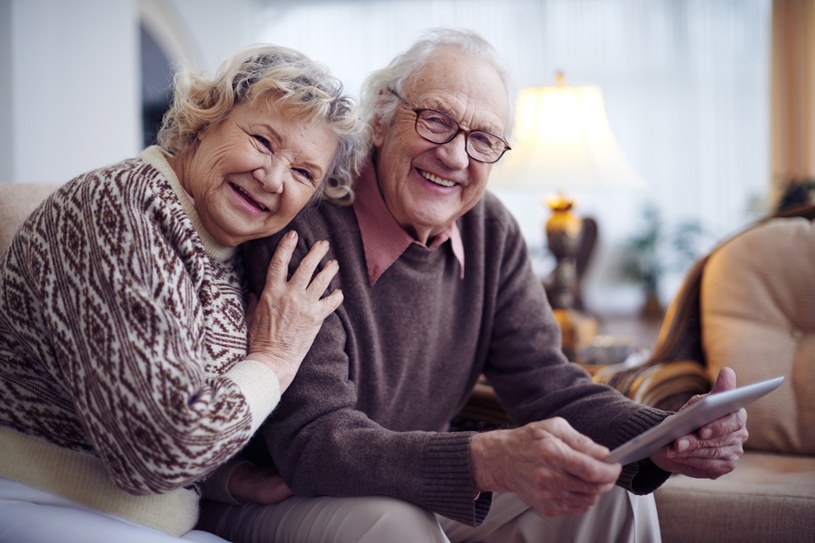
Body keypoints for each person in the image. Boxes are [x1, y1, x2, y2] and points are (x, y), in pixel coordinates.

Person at [198, 29, 748, 543]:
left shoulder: (491, 229)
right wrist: (480, 459)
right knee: (396, 523)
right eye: (436, 120)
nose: (456, 156)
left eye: (483, 139)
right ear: (383, 120)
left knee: (614, 496)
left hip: (411, 479)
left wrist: (669, 434)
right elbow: (314, 441)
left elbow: (547, 383)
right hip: (281, 489)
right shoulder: (307, 222)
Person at [0, 44, 366, 543]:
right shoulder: (116, 210)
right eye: (262, 140)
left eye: (304, 173)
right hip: (40, 501)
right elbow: (155, 448)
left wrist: (224, 479)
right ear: (203, 121)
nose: (274, 178)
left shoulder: (225, 250)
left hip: (144, 520)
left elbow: (137, 403)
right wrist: (274, 359)